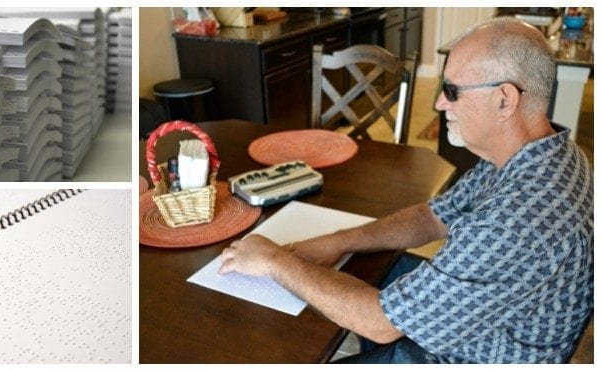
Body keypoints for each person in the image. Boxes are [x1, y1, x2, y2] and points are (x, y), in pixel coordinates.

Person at [218, 17, 593, 364]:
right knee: (368, 273)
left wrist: (274, 261)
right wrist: (340, 240)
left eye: (452, 90)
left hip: (474, 357)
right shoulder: (540, 154)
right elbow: (434, 215)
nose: (439, 103)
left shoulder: (517, 219)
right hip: (489, 324)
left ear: (504, 100)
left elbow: (381, 322)